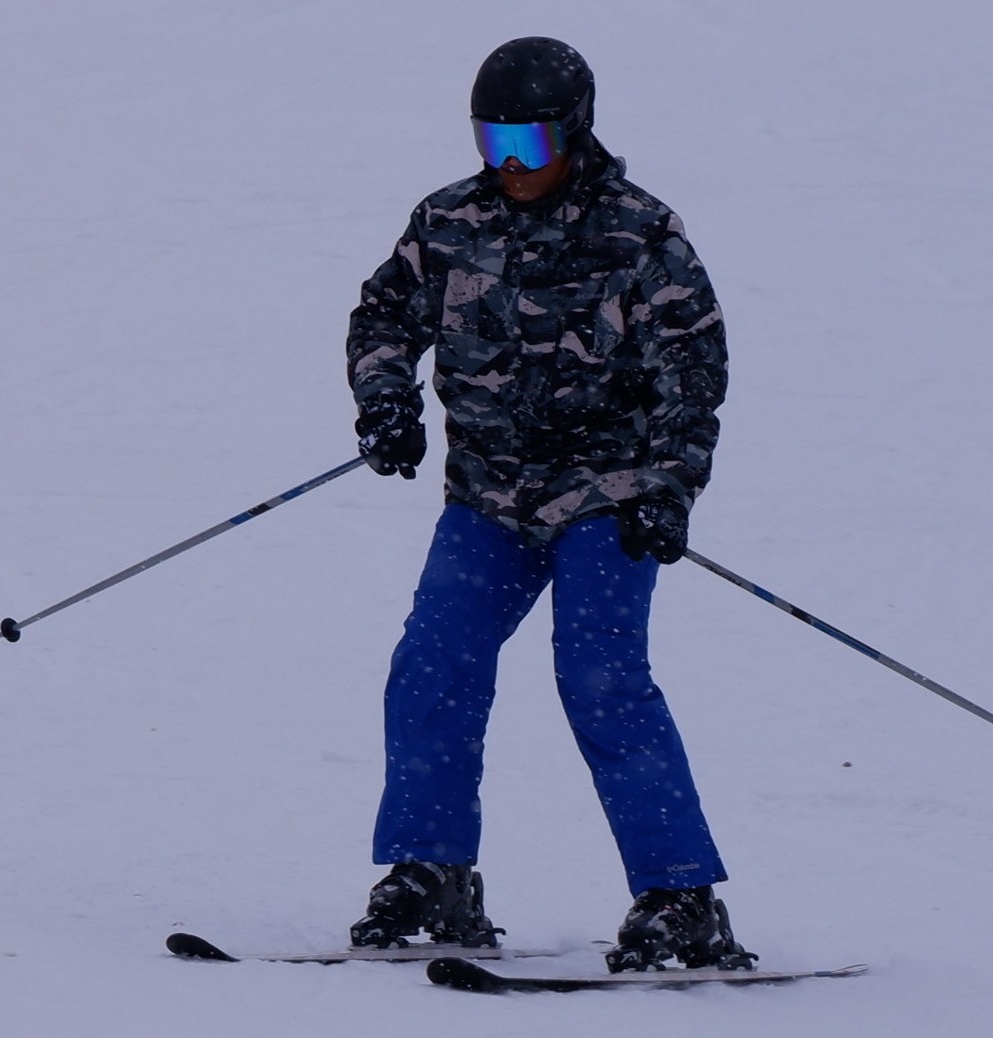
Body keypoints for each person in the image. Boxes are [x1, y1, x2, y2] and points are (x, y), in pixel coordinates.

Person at [344, 36, 754, 973]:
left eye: (527, 142)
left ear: (574, 131)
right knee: (432, 661)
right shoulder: (448, 220)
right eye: (492, 142)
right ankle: (434, 872)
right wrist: (386, 400)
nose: (510, 164)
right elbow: (383, 316)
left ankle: (681, 895)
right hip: (489, 495)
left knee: (600, 675)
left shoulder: (638, 233)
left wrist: (669, 486)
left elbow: (693, 373)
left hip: (608, 496)